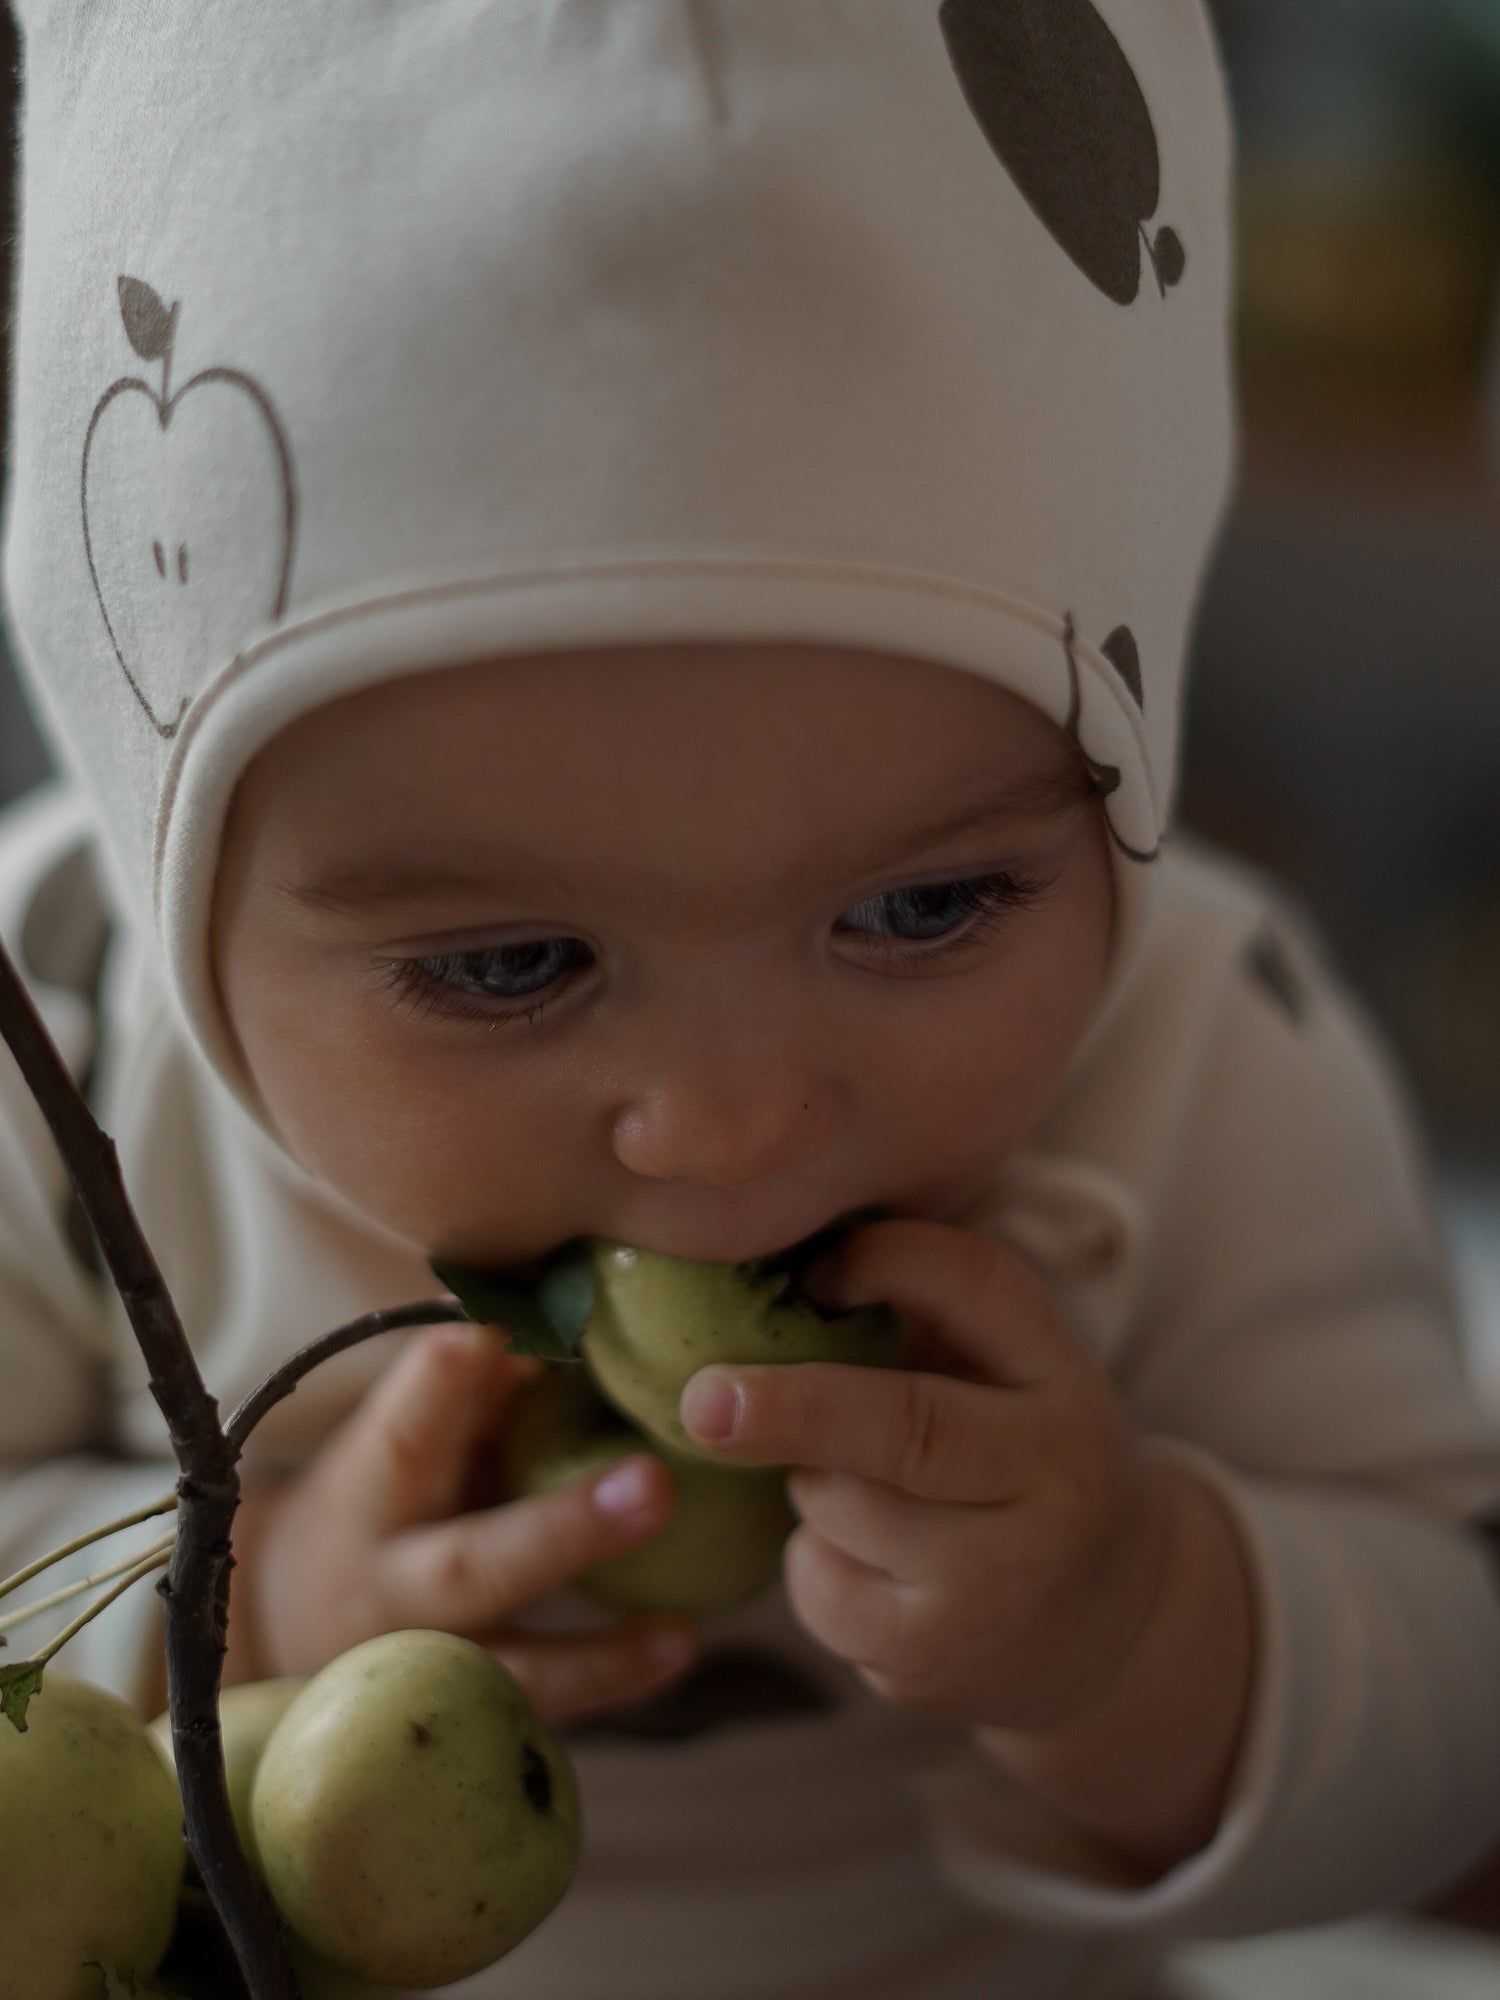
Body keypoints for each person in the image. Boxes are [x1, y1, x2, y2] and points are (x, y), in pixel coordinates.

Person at [2, 3, 1499, 1996]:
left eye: (926, 906)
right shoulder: (66, 1040)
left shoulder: (1209, 1056)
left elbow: (1460, 1708)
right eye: (508, 964)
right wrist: (245, 1614)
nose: (732, 1124)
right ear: (167, 869)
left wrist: (1140, 1626)